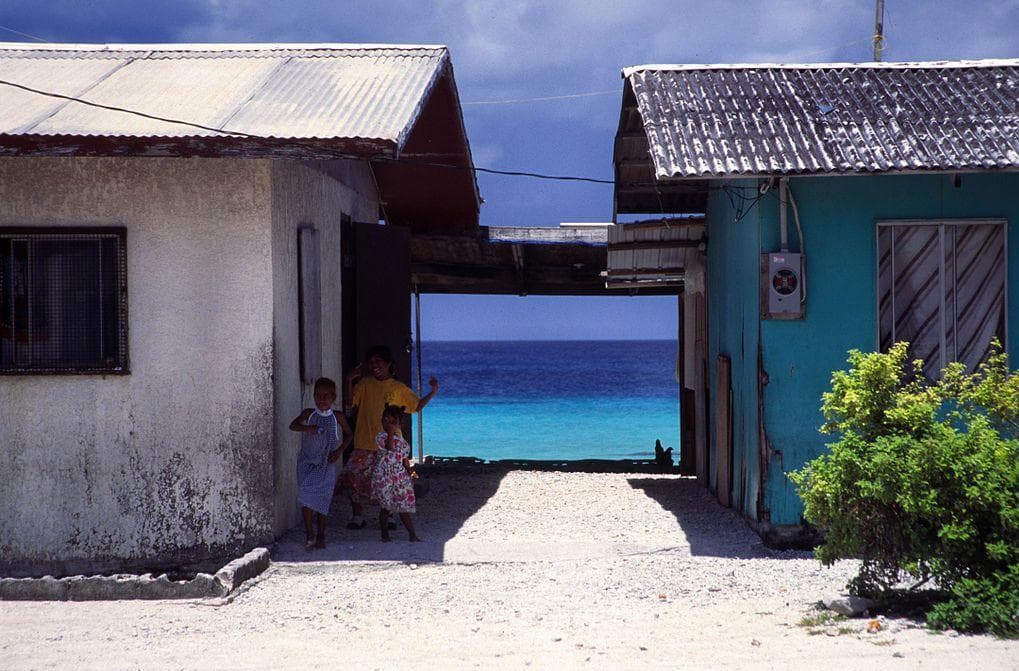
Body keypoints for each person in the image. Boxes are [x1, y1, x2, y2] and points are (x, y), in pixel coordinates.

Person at [342, 345, 438, 529]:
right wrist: (349, 380)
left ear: (388, 364)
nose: (374, 365)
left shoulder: (398, 387)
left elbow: (416, 406)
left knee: (390, 480)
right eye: (371, 362)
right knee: (352, 477)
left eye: (378, 361)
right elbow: (349, 403)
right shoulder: (364, 384)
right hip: (364, 441)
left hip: (390, 446)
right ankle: (357, 516)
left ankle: (390, 515)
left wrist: (433, 392)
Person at [289, 377, 351, 550]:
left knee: (323, 500)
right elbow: (293, 425)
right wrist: (307, 428)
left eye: (326, 396)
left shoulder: (337, 417)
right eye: (318, 396)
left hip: (326, 464)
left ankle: (321, 534)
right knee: (306, 497)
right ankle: (310, 534)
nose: (322, 400)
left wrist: (339, 451)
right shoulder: (309, 414)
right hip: (307, 463)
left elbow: (349, 435)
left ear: (333, 397)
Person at [373, 404, 421, 542]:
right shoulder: (381, 437)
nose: (388, 424)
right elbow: (390, 448)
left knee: (403, 507)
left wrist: (410, 471)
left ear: (400, 424)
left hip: (400, 478)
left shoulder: (403, 442)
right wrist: (390, 433)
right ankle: (384, 534)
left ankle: (412, 534)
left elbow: (404, 459)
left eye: (392, 422)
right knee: (386, 507)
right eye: (385, 420)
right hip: (385, 476)